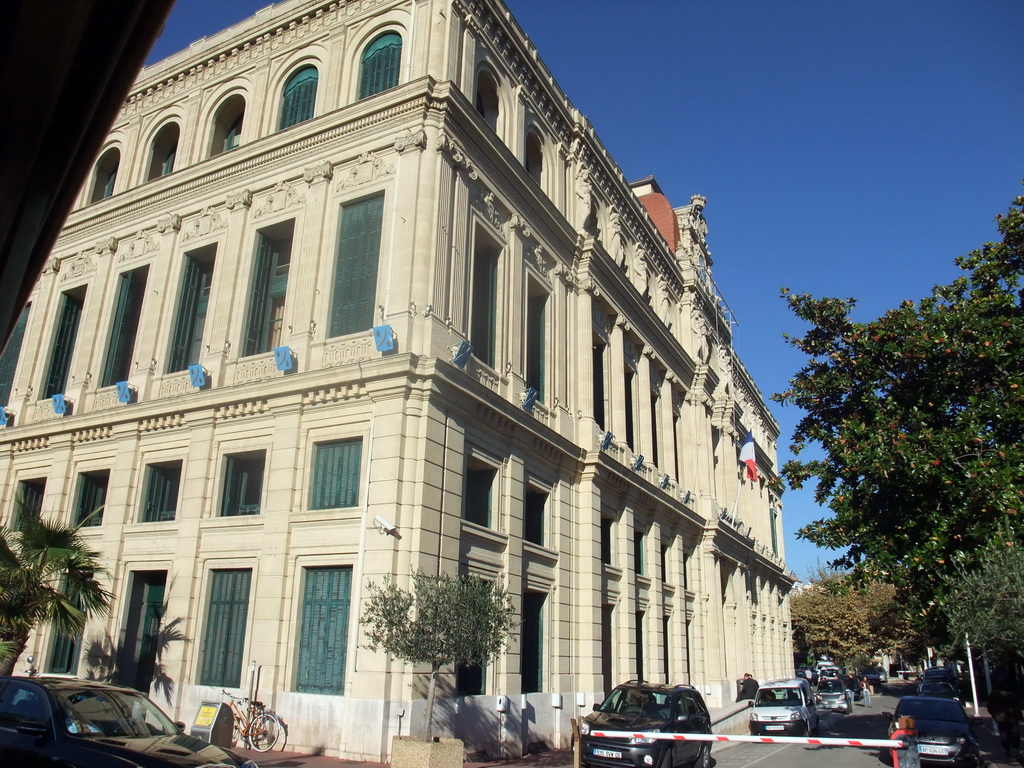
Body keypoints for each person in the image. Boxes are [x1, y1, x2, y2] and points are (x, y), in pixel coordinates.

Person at [987, 689, 1023, 757]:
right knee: (1013, 732)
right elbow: (1017, 705)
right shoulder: (1011, 693)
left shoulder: (994, 694)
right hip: (1011, 717)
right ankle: (1014, 748)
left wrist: (995, 715)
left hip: (1001, 718)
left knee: (1004, 733)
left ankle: (1007, 749)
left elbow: (989, 707)